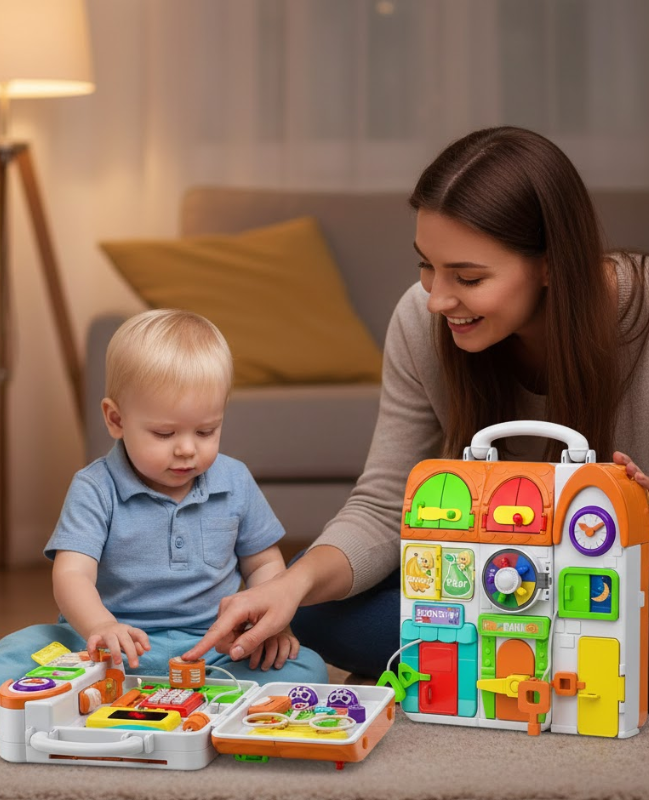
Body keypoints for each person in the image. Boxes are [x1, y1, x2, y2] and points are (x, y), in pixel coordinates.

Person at [183, 125, 649, 678]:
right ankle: (535, 662)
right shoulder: (420, 318)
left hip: (611, 590)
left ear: (551, 264)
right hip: (489, 576)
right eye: (426, 264)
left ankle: (500, 659)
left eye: (469, 277)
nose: (437, 298)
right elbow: (385, 504)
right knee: (302, 603)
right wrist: (291, 585)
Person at [0, 309, 328, 747]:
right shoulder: (95, 487)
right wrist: (99, 625)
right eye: (164, 433)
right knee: (27, 646)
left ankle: (222, 708)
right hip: (103, 651)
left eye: (207, 430)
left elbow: (264, 564)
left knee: (306, 667)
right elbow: (72, 573)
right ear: (115, 419)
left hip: (211, 649)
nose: (187, 449)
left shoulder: (235, 480)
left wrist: (266, 624)